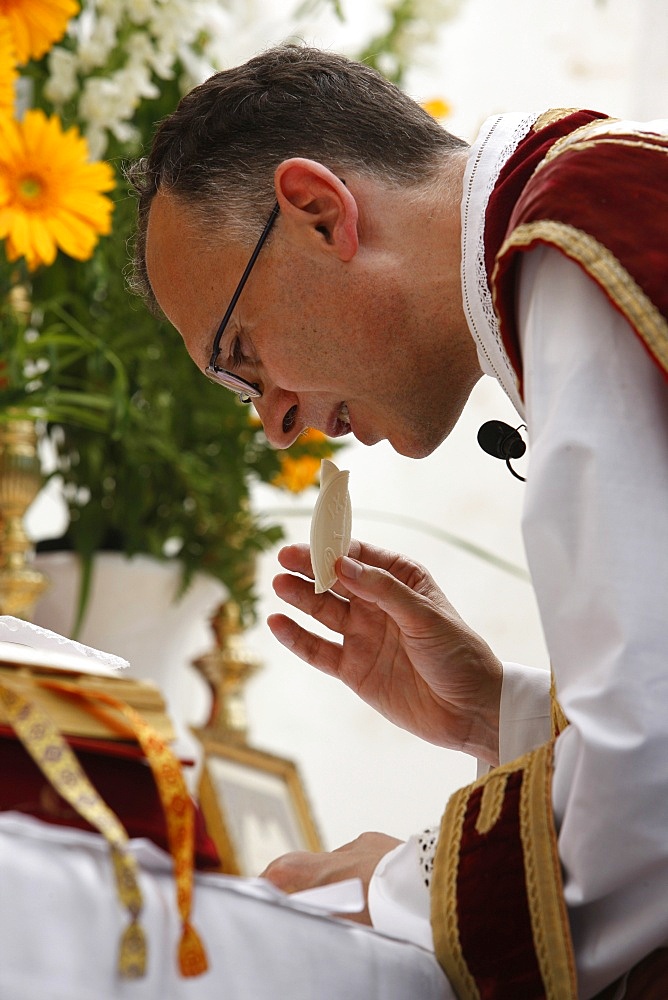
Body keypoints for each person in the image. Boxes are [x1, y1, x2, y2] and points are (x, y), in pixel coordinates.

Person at [128, 45, 668, 999]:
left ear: (321, 212)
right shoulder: (587, 211)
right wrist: (498, 710)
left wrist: (388, 889)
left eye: (243, 355)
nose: (276, 423)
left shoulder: (584, 239)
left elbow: (651, 794)